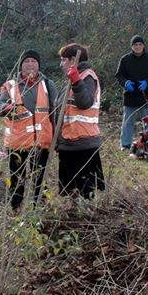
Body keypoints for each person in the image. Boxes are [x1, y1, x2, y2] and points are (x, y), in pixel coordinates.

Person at [0, 49, 60, 211]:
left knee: (40, 180)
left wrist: (58, 140)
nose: (30, 64)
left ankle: (40, 211)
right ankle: (15, 210)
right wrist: (7, 107)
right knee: (17, 180)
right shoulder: (10, 85)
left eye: (33, 61)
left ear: (38, 65)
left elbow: (56, 111)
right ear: (20, 65)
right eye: (26, 61)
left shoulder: (48, 85)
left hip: (41, 143)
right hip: (17, 144)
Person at [55, 43, 105, 198]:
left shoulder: (87, 77)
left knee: (84, 189)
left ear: (72, 60)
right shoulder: (70, 78)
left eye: (63, 60)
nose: (61, 64)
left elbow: (85, 102)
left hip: (82, 142)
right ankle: (74, 215)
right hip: (69, 142)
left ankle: (86, 218)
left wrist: (77, 81)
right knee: (69, 189)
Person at [115, 35, 148, 150]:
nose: (138, 46)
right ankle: (125, 144)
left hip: (146, 96)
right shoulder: (125, 59)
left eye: (140, 44)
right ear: (132, 46)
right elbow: (119, 75)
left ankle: (147, 145)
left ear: (143, 46)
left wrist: (147, 82)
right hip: (130, 96)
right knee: (128, 121)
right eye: (135, 44)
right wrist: (125, 83)